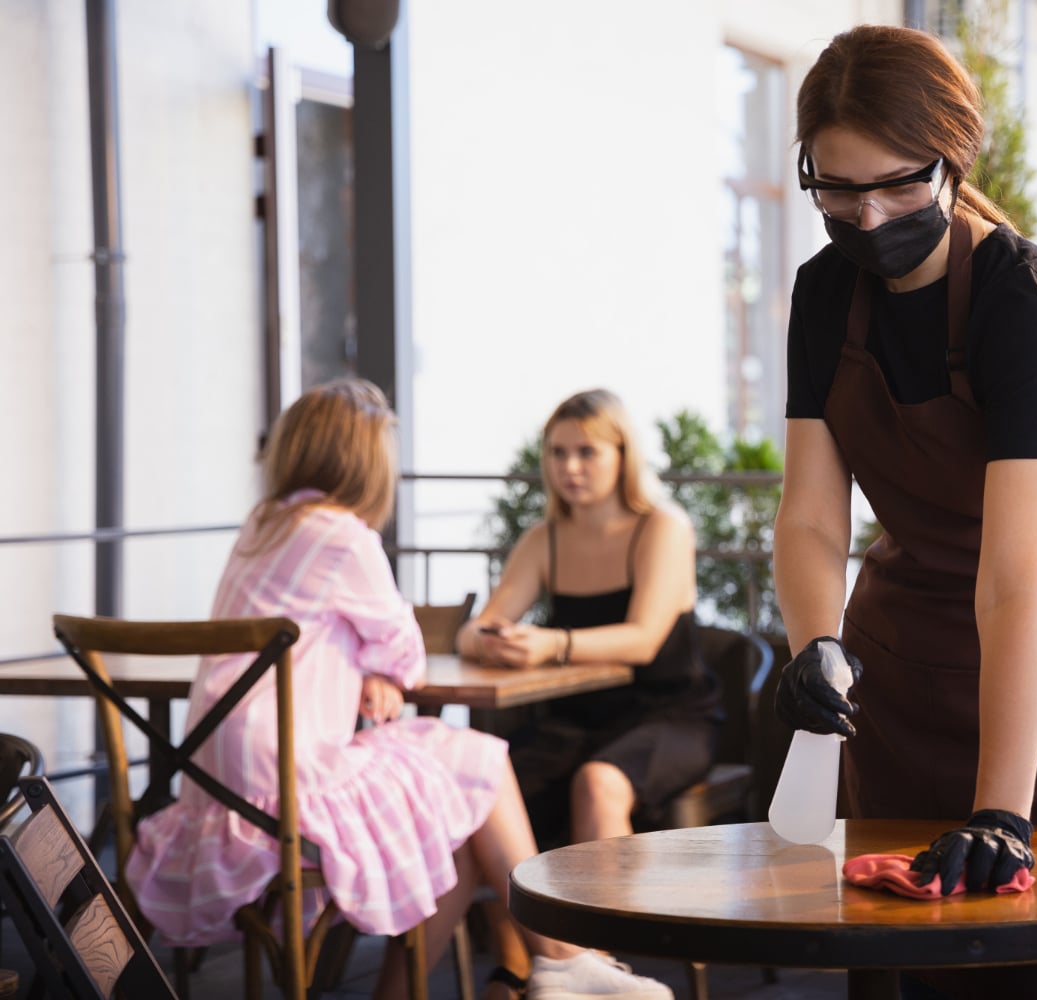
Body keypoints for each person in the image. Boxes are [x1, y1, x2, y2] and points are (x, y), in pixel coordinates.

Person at [771, 24, 1037, 1000]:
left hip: (1034, 690)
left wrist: (1003, 813)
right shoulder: (822, 293)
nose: (867, 213)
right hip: (896, 687)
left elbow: (1016, 577)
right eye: (837, 190)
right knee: (897, 977)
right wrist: (814, 641)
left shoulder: (1025, 299)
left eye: (896, 184)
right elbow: (810, 515)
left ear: (950, 160)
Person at [126, 378, 672, 1000]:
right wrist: (381, 666)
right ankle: (563, 962)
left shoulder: (264, 523)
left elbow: (361, 642)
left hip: (216, 788)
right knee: (477, 762)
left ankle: (535, 970)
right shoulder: (344, 536)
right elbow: (406, 648)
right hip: (288, 788)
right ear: (367, 459)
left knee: (456, 804)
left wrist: (371, 665)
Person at [457, 388, 721, 849]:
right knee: (474, 787)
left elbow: (643, 640)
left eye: (586, 452)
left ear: (623, 455)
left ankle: (605, 925)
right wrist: (494, 640)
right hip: (572, 724)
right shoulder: (545, 539)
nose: (569, 467)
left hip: (669, 716)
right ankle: (510, 926)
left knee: (598, 782)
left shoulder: (663, 526)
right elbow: (472, 632)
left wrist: (550, 644)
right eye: (558, 452)